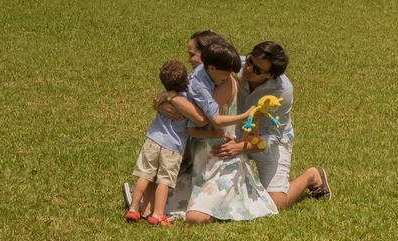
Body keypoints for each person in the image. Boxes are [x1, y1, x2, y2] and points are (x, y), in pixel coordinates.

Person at [210, 41, 330, 210]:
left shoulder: (283, 90)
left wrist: (242, 147)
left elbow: (274, 135)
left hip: (267, 139)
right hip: (233, 133)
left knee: (276, 203)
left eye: (257, 70)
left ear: (271, 76)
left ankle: (312, 176)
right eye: (250, 60)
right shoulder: (236, 66)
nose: (248, 69)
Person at [174, 40, 278, 224]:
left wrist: (172, 100)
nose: (190, 60)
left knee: (194, 218)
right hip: (199, 156)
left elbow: (204, 118)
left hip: (219, 158)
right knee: (160, 203)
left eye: (193, 54)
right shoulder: (201, 78)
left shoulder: (225, 79)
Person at [125, 61, 198, 226]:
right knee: (164, 180)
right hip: (172, 147)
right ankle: (158, 214)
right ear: (186, 80)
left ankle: (133, 208)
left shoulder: (163, 95)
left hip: (152, 140)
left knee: (144, 175)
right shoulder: (188, 100)